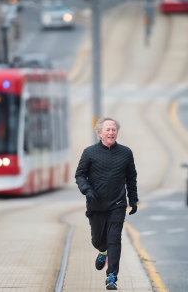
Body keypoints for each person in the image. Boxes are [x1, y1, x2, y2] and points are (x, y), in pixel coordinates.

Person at [75, 117, 138, 290]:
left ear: (117, 132)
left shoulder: (126, 153)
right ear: (99, 133)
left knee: (114, 239)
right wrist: (87, 190)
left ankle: (112, 276)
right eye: (108, 130)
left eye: (114, 129)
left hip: (117, 204)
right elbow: (80, 174)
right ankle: (102, 250)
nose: (111, 132)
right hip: (96, 205)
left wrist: (133, 199)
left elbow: (131, 178)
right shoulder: (89, 153)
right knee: (98, 241)